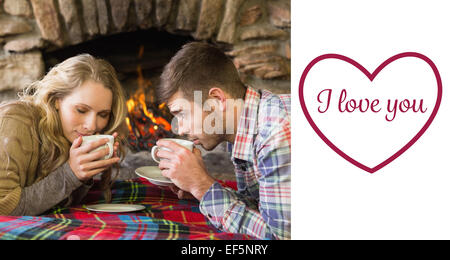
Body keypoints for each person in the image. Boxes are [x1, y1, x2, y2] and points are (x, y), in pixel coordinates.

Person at [155, 42, 291, 240]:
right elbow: (261, 207)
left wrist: (203, 186)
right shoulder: (242, 126)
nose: (181, 128)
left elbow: (280, 237)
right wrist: (197, 186)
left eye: (182, 114)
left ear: (217, 100)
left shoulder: (275, 133)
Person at [0, 54, 128, 216]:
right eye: (81, 110)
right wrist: (70, 173)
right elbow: (3, 208)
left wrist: (84, 173)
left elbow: (57, 205)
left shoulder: (68, 133)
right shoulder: (14, 121)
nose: (92, 125)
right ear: (56, 100)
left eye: (103, 114)